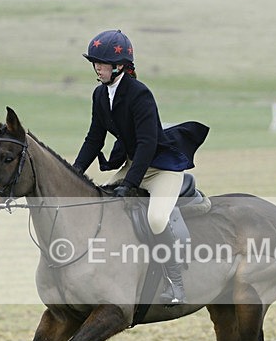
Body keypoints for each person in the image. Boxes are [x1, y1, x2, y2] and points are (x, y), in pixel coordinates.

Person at [73, 29, 209, 306]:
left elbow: (147, 143)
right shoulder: (100, 95)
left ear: (119, 66)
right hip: (135, 165)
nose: (97, 67)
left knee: (156, 219)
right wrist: (74, 171)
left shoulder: (140, 94)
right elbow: (94, 138)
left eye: (102, 63)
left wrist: (129, 184)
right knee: (101, 205)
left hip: (161, 169)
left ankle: (175, 282)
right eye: (95, 62)